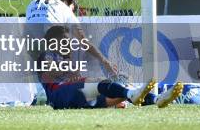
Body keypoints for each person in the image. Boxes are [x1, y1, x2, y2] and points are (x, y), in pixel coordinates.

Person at [37, 25, 184, 109]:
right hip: (58, 95)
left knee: (106, 94)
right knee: (95, 82)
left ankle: (156, 99)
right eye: (65, 41)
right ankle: (130, 93)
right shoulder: (47, 55)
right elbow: (49, 70)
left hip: (67, 97)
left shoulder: (68, 59)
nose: (70, 44)